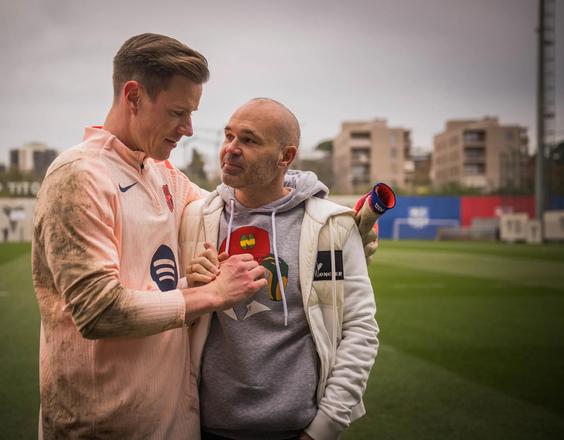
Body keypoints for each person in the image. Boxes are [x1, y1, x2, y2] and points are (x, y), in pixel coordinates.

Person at [31, 34, 268, 439]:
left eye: (191, 114)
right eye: (178, 112)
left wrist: (335, 231)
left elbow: (236, 212)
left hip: (174, 425)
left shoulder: (163, 174)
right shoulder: (78, 177)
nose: (188, 129)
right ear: (134, 96)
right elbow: (99, 310)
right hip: (102, 429)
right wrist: (213, 293)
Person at [179, 98, 379, 440]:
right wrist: (191, 287)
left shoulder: (331, 227)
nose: (231, 148)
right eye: (229, 136)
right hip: (204, 427)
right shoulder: (196, 218)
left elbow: (360, 328)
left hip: (297, 430)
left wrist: (324, 428)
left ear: (285, 156)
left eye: (249, 140)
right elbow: (168, 312)